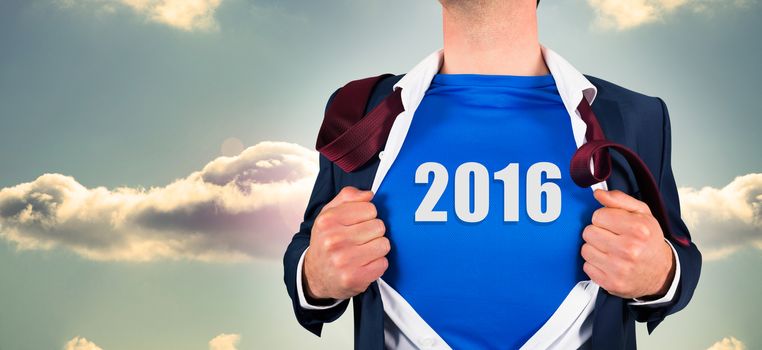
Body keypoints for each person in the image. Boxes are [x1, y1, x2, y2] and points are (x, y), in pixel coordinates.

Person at [283, 1, 702, 349]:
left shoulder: (637, 116)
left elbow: (680, 253)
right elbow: (310, 244)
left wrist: (661, 272)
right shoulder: (358, 108)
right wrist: (315, 275)